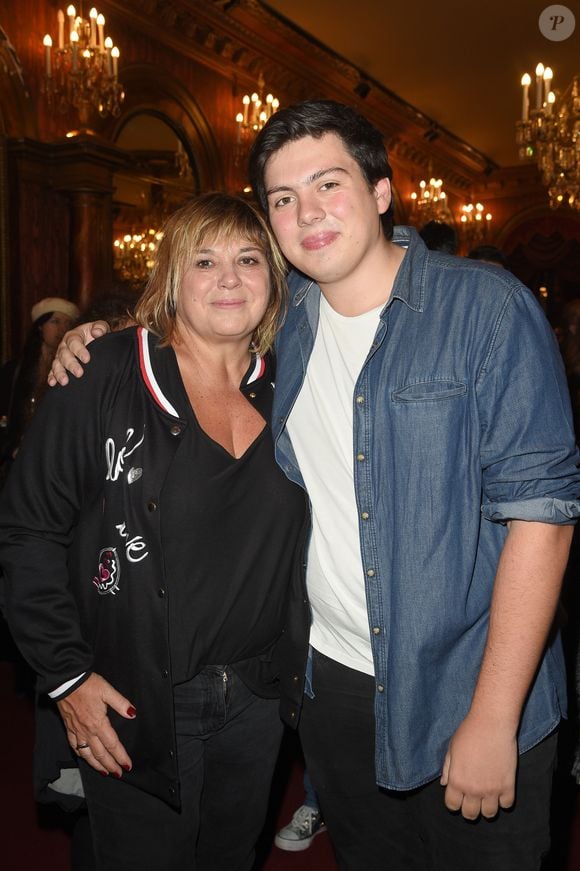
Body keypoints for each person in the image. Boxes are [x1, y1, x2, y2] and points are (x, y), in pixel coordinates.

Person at [49, 101, 580, 871]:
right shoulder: (284, 325)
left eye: (328, 184)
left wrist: (495, 716)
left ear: (382, 191)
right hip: (330, 691)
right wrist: (96, 336)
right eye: (283, 199)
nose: (308, 213)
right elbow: (189, 327)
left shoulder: (486, 309)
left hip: (466, 686)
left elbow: (543, 517)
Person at [0, 193, 308, 871]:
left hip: (257, 701)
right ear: (172, 277)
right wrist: (65, 675)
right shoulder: (105, 372)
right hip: (140, 695)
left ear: (275, 279)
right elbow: (27, 531)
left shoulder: (294, 385)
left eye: (249, 258)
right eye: (205, 259)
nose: (229, 276)